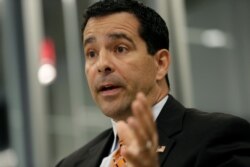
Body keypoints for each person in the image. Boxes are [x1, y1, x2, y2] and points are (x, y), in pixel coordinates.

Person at [56, 0, 250, 166]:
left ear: (160, 63)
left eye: (120, 48)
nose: (102, 64)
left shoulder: (219, 138)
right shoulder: (71, 163)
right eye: (92, 53)